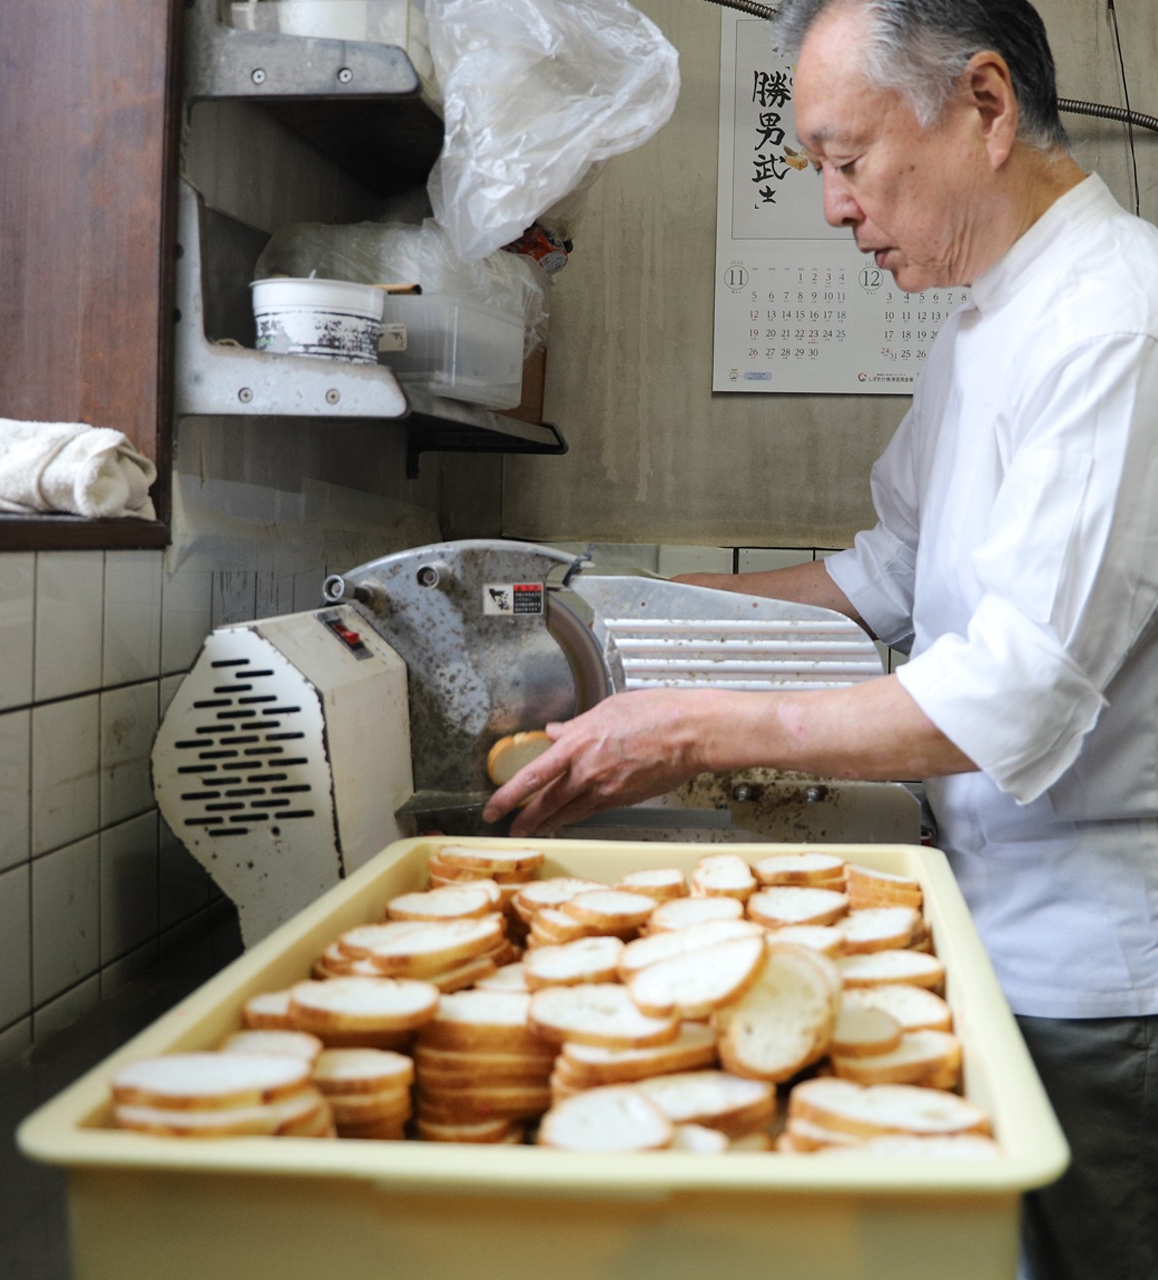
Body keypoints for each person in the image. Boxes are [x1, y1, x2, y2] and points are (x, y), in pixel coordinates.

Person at [483, 2, 1158, 1277]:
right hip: (989, 921)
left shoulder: (1117, 323)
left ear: (984, 105)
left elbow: (1010, 691)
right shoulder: (981, 324)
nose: (835, 207)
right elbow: (876, 579)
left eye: (848, 163)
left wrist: (685, 729)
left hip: (1099, 966)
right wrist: (610, 607)